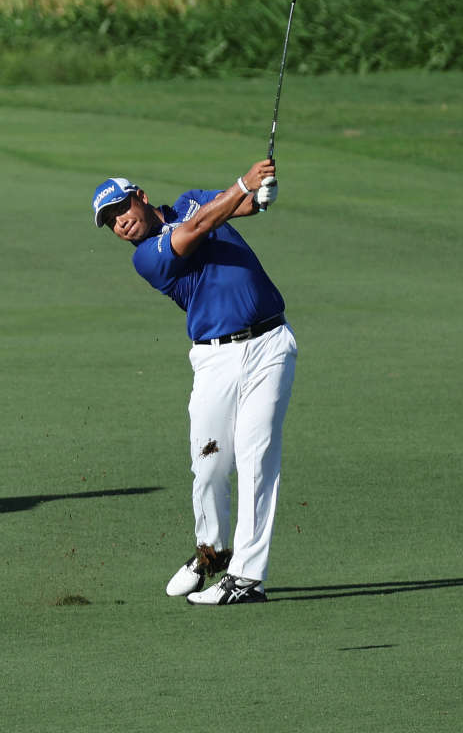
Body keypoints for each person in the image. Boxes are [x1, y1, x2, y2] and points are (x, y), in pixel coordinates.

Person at [92, 157, 297, 606]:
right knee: (209, 464)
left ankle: (246, 577)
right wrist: (243, 183)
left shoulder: (191, 201)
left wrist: (260, 196)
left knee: (256, 457)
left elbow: (233, 208)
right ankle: (212, 552)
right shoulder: (147, 258)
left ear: (141, 197)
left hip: (270, 345)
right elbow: (201, 225)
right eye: (111, 222)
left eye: (121, 209)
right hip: (214, 360)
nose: (120, 223)